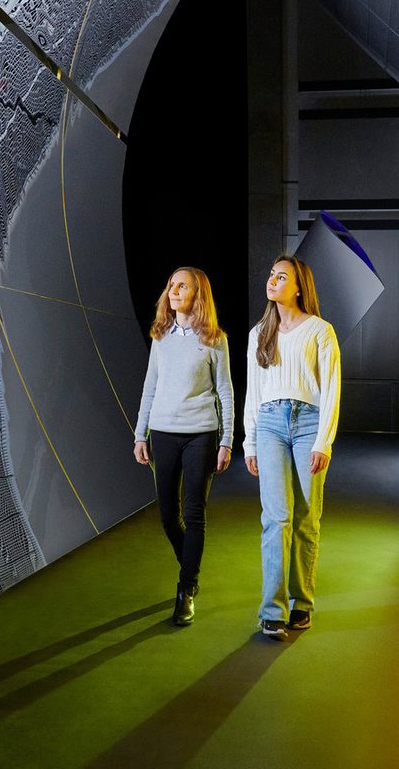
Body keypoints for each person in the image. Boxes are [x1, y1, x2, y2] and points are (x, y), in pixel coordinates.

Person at [243, 254, 340, 640]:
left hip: (308, 424)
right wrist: (249, 440)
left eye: (281, 277)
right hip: (269, 423)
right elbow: (254, 390)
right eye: (271, 274)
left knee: (306, 518)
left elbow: (331, 389)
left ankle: (302, 603)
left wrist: (324, 442)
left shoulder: (320, 330)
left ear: (298, 287)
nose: (272, 281)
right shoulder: (258, 334)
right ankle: (272, 611)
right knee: (276, 517)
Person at [134, 265, 234, 626]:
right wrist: (139, 433)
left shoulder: (214, 339)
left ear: (198, 294)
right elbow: (149, 386)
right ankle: (190, 564)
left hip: (201, 435)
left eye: (182, 286)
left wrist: (227, 440)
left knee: (194, 514)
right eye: (171, 284)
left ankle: (186, 587)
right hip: (162, 434)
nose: (174, 290)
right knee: (166, 516)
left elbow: (225, 391)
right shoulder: (160, 337)